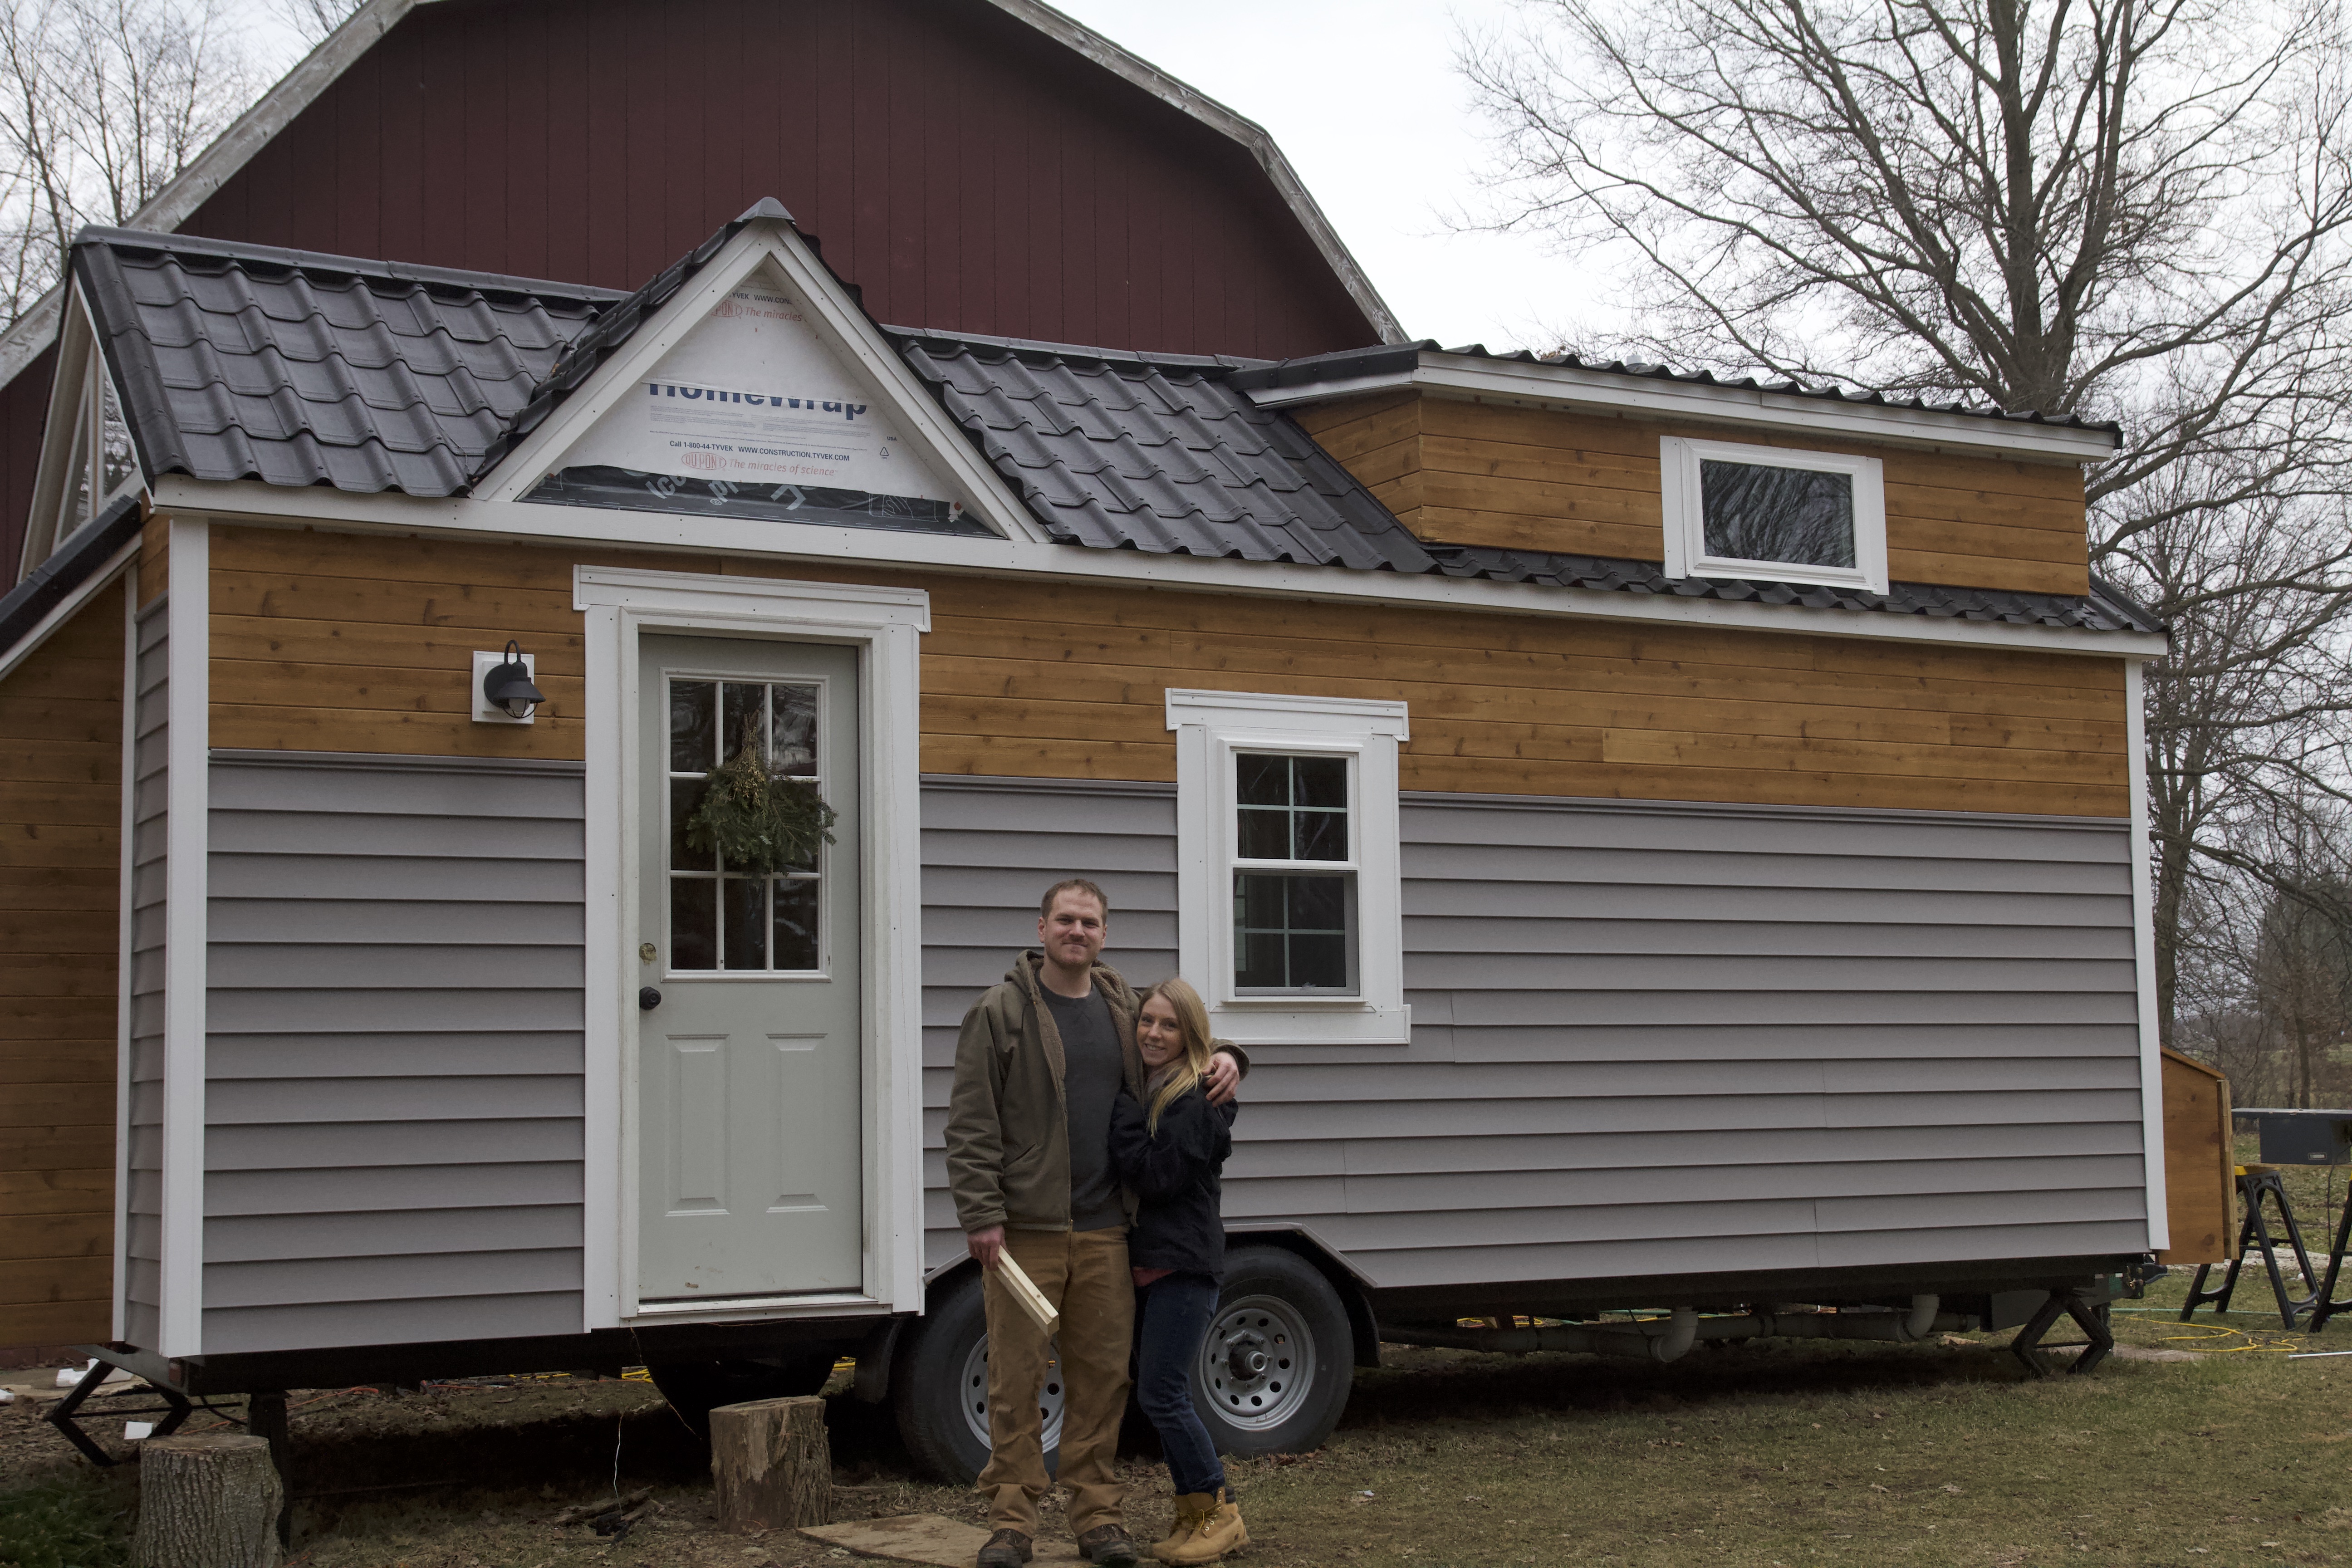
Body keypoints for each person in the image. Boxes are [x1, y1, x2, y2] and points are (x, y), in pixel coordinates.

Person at [946, 880, 1244, 1568]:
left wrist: (1232, 1057)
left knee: (1102, 1378)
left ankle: (1098, 1518)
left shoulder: (1123, 1007)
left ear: (1105, 934)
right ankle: (1012, 1524)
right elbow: (969, 1124)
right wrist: (982, 1215)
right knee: (1016, 1378)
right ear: (1042, 927)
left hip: (1110, 1230)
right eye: (1066, 920)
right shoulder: (1000, 1012)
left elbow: (1189, 1031)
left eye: (1090, 922)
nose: (1077, 931)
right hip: (1025, 1232)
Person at [1107, 978, 1247, 1565]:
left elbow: (1157, 1177)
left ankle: (1222, 1513)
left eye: (1169, 1025)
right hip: (1153, 1266)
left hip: (1185, 1267)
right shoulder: (1154, 1088)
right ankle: (1193, 1513)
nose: (1154, 1033)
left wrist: (1119, 1118)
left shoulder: (1194, 1098)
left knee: (1165, 1395)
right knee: (1158, 1395)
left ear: (1190, 1035)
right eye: (1147, 1022)